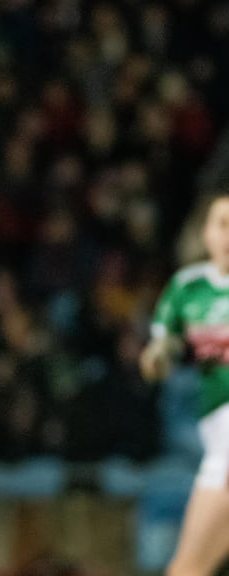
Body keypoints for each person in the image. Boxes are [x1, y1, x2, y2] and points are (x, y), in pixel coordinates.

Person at [140, 191, 229, 576]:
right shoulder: (188, 288)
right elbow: (159, 352)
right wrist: (158, 357)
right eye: (222, 224)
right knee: (189, 568)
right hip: (215, 439)